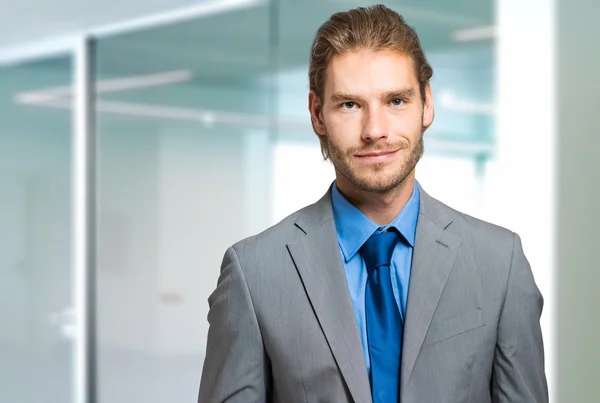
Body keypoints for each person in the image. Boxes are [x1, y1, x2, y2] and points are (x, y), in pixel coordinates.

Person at [198, 4, 548, 403]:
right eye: (350, 104)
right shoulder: (254, 273)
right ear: (317, 114)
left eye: (396, 101)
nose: (375, 131)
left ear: (426, 104)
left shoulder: (499, 263)